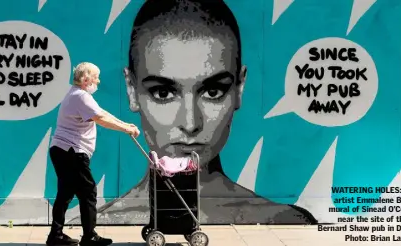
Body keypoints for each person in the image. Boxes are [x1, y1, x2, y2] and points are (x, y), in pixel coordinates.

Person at [92, 0, 318, 225]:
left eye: (212, 91)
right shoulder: (99, 223)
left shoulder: (286, 219)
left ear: (239, 89)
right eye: (162, 93)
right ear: (132, 91)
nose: (190, 123)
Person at [46, 62, 140, 246]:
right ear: (86, 79)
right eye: (96, 77)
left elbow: (102, 113)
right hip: (72, 151)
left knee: (65, 192)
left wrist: (126, 125)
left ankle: (55, 235)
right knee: (88, 192)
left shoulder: (77, 95)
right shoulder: (81, 96)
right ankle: (89, 236)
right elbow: (101, 119)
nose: (98, 80)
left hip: (62, 150)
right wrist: (126, 129)